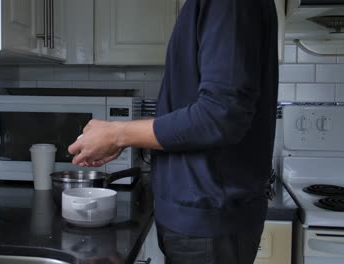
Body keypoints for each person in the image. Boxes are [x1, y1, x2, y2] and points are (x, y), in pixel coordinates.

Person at [68, 0, 278, 263]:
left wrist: (118, 133)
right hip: (198, 218)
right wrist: (123, 134)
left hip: (208, 219)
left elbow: (221, 115)